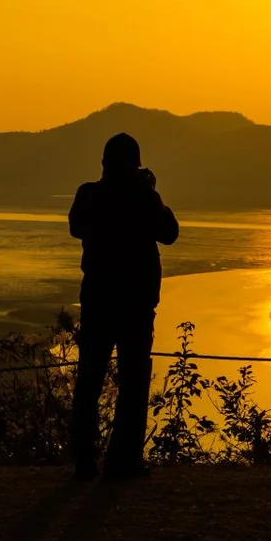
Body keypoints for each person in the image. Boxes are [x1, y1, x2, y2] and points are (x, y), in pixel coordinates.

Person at [68, 132, 179, 480]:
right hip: (134, 302)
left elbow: (76, 227)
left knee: (89, 380)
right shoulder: (143, 197)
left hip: (99, 299)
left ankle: (84, 461)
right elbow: (170, 231)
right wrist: (148, 192)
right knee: (132, 383)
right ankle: (123, 460)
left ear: (104, 163)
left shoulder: (89, 194)